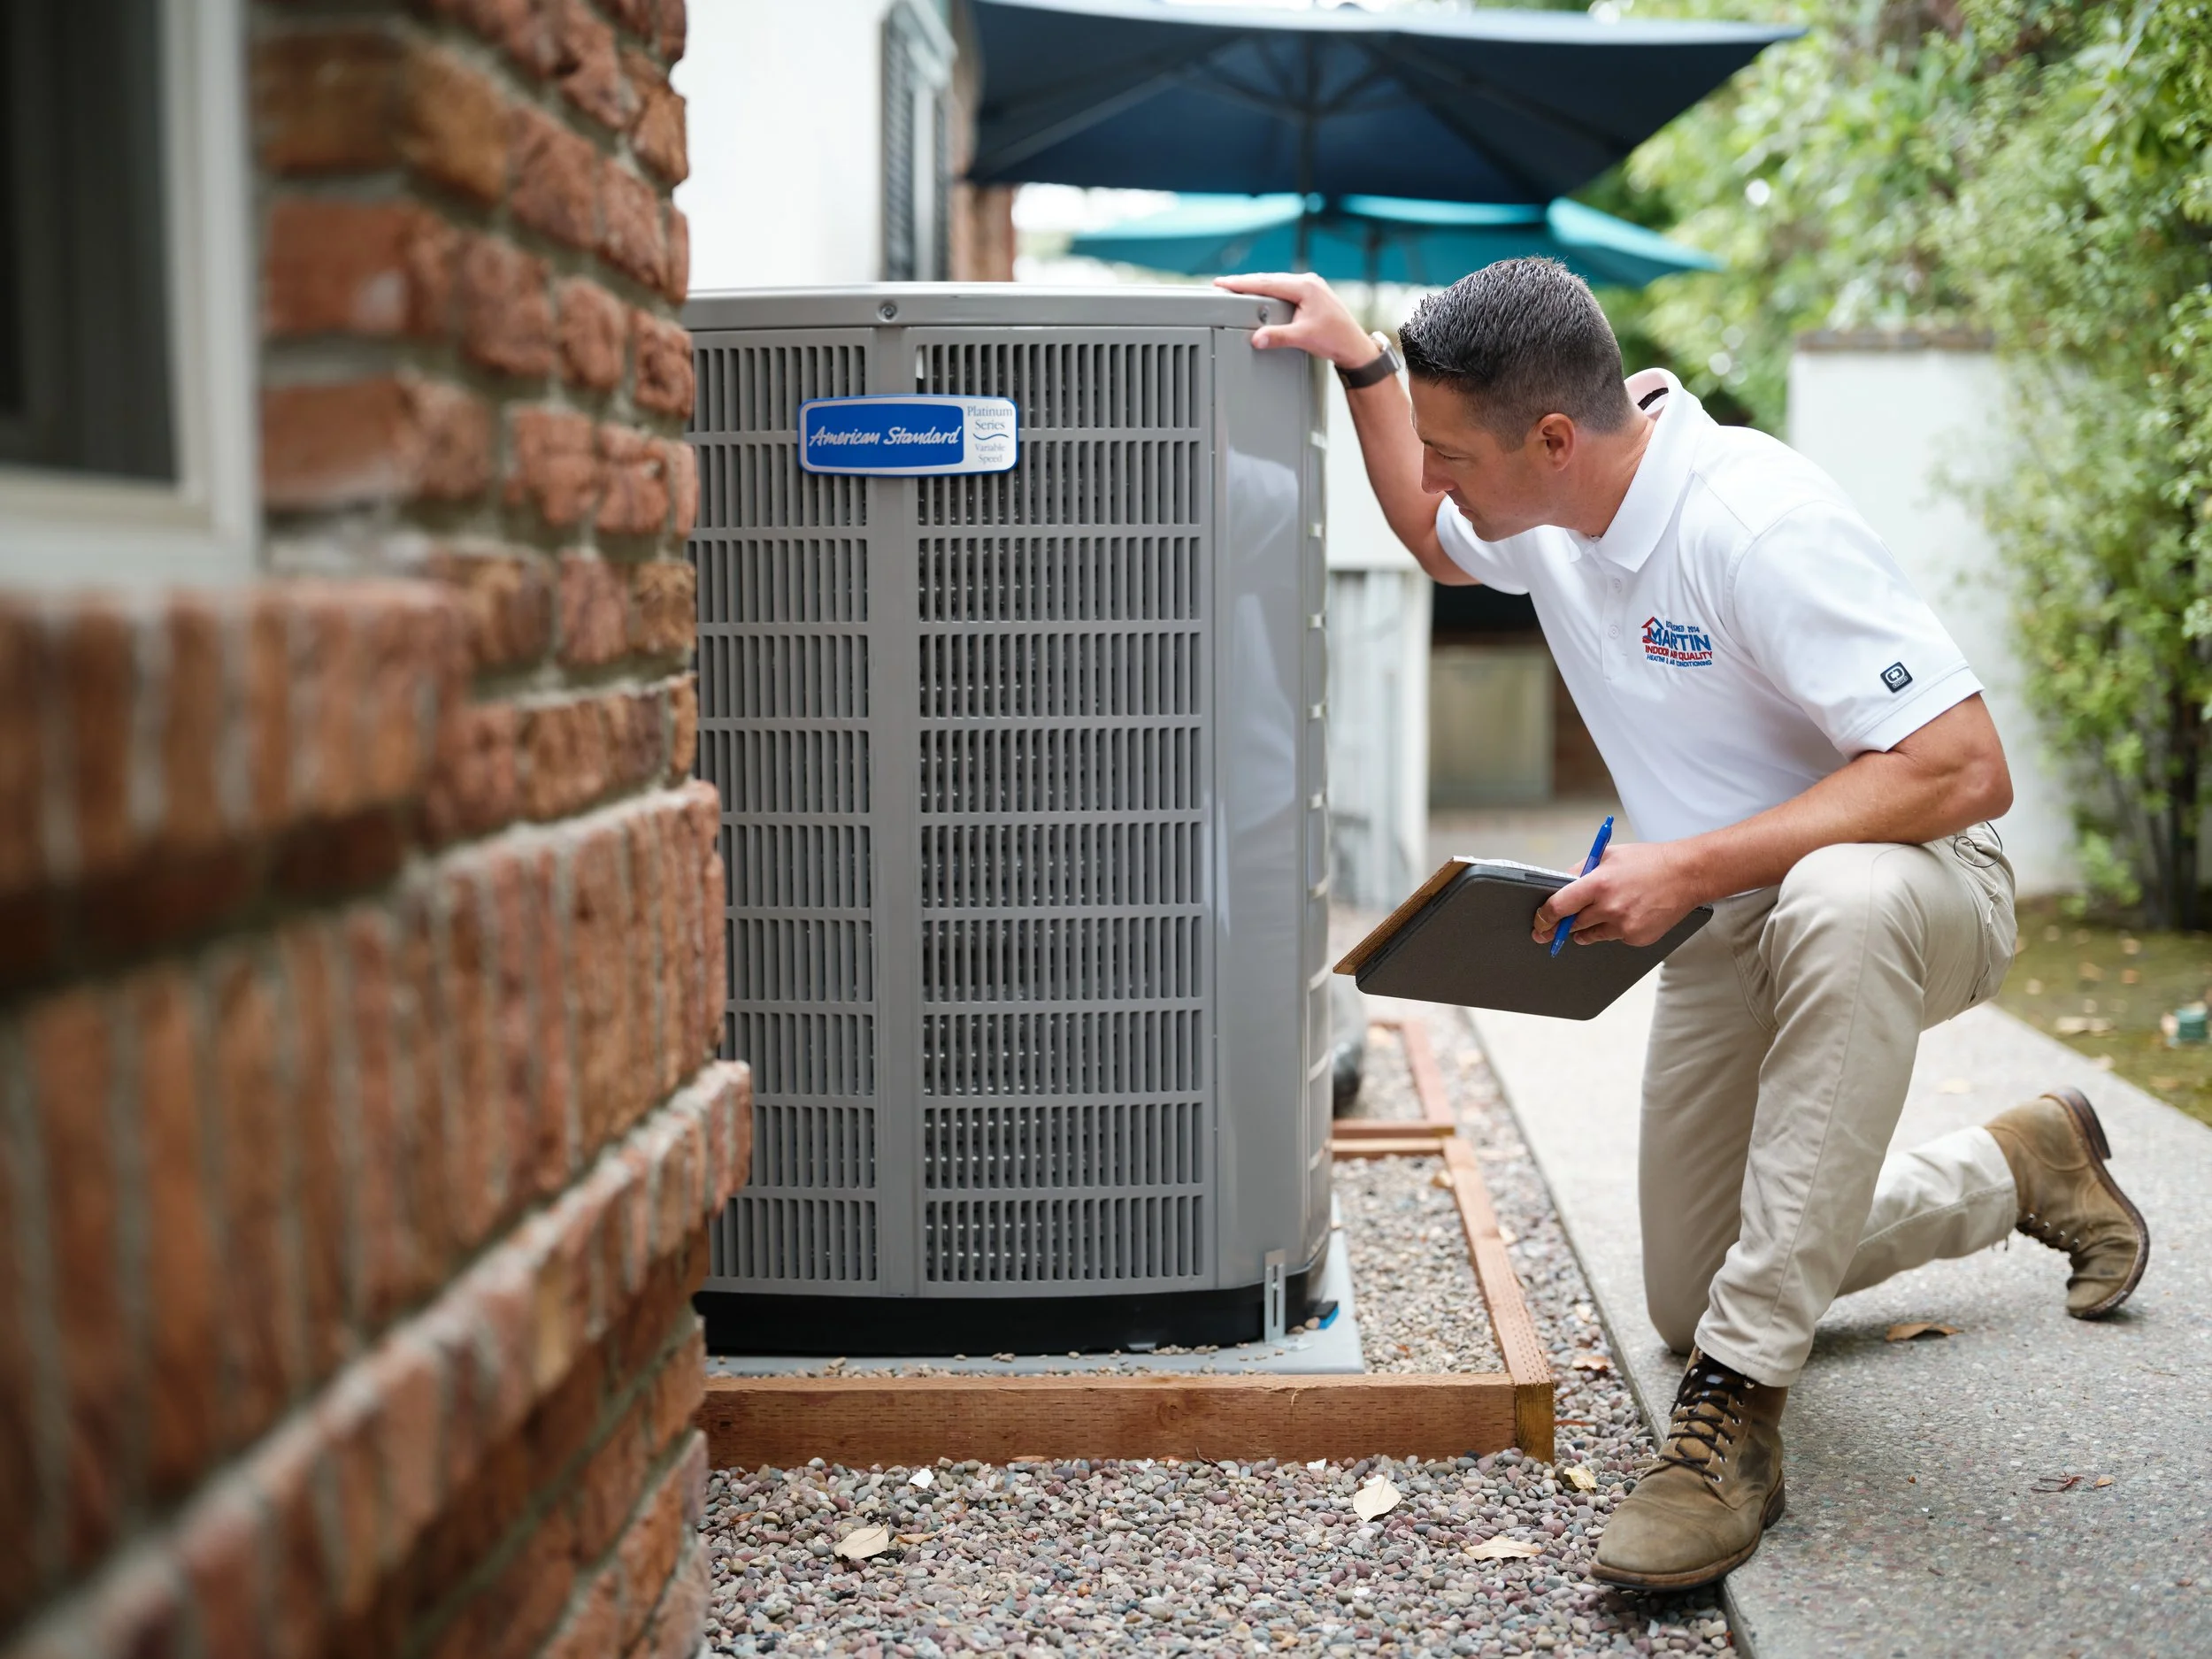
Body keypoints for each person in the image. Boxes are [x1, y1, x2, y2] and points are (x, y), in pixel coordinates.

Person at [1216, 260, 2152, 1591]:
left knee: (1844, 895)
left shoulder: (1752, 520)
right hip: (1724, 918)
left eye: (1451, 453)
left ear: (1551, 440)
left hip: (1918, 887)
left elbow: (1962, 767)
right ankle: (2025, 1165)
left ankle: (1735, 1418)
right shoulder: (1543, 506)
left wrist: (1685, 863)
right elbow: (1432, 535)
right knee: (1690, 1285)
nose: (1437, 481)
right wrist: (1363, 364)